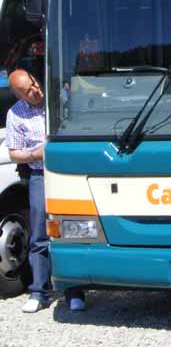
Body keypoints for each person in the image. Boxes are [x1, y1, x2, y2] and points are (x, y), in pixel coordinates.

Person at [5, 70, 86, 312]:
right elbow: (14, 153)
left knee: (73, 230)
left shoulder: (58, 100)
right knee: (39, 233)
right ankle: (39, 292)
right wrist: (34, 154)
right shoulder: (15, 114)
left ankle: (74, 291)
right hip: (40, 174)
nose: (36, 90)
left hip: (67, 173)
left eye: (35, 83)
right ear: (18, 94)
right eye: (29, 90)